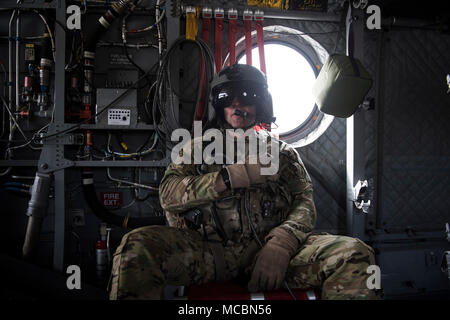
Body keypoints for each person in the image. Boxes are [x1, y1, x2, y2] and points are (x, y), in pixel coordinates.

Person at [108, 64, 380, 300]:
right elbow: (168, 196)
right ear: (219, 104)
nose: (238, 104)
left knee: (354, 254)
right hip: (205, 253)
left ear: (261, 104)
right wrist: (226, 178)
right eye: (229, 97)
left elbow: (304, 202)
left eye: (248, 97)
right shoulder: (194, 149)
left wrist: (281, 245)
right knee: (137, 246)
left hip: (269, 251)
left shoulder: (282, 153)